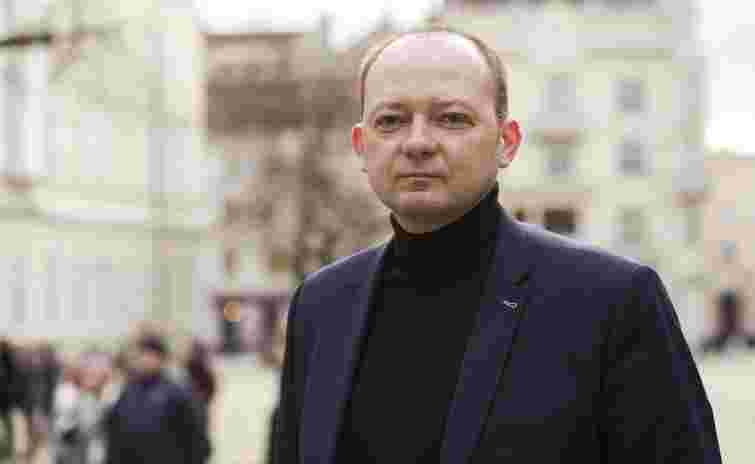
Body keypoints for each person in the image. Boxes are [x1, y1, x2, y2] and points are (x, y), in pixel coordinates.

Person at [273, 26, 721, 464]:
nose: (417, 142)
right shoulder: (321, 306)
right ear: (361, 145)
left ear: (506, 143)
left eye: (452, 118)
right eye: (391, 121)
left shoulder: (614, 302)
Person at [104, 334, 211, 464]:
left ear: (161, 358)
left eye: (151, 355)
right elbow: (116, 437)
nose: (145, 360)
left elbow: (195, 439)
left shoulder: (177, 394)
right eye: (142, 355)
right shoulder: (127, 393)